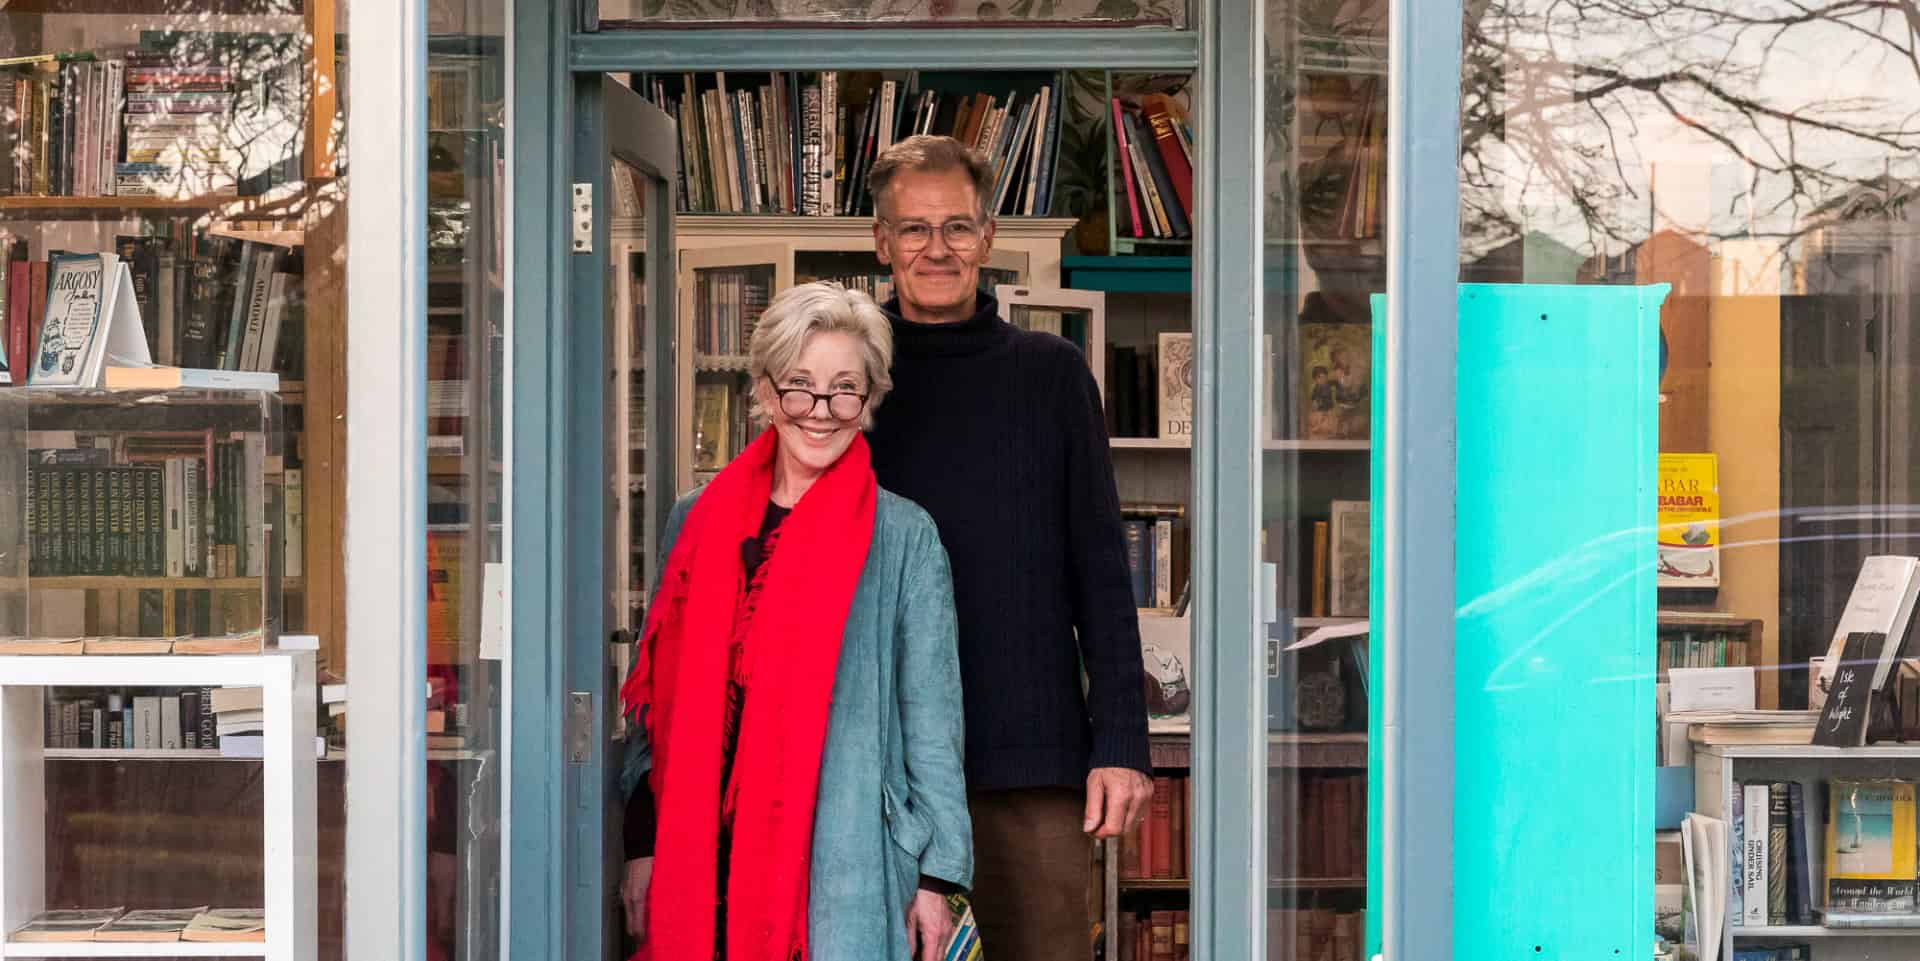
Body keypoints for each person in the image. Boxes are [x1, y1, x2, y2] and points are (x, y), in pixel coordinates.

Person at [616, 282, 971, 961]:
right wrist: (643, 843)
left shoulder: (905, 538)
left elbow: (933, 725)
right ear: (766, 390)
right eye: (800, 385)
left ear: (869, 400)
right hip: (700, 856)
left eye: (844, 388)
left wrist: (939, 876)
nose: (820, 410)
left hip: (842, 860)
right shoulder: (695, 520)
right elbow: (654, 706)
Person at [863, 134, 1154, 960]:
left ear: (988, 238)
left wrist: (1121, 745)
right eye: (914, 230)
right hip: (880, 768)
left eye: (957, 227)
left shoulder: (1052, 373)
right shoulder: (849, 381)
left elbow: (1102, 570)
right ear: (883, 243)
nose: (937, 249)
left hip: (1031, 762)